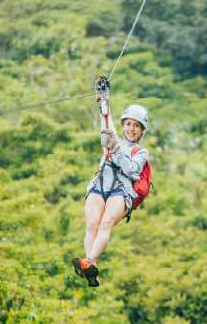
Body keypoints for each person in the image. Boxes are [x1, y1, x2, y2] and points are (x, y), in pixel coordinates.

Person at [71, 86, 149, 287]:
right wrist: (104, 99)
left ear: (141, 131)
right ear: (124, 125)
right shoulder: (113, 139)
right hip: (100, 184)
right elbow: (106, 123)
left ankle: (88, 261)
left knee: (105, 223)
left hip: (121, 192)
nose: (131, 129)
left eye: (136, 126)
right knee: (92, 224)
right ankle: (91, 266)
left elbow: (132, 170)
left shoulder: (141, 152)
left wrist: (114, 148)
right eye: (129, 124)